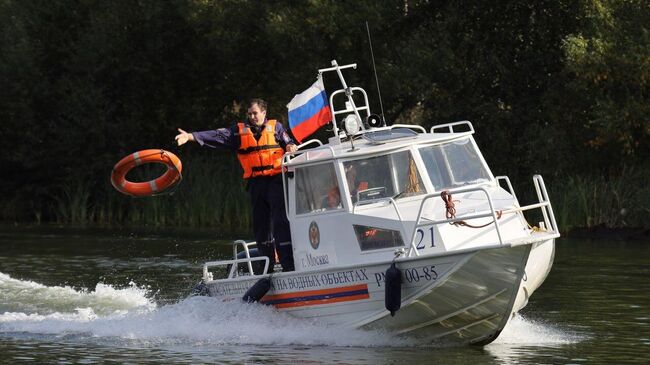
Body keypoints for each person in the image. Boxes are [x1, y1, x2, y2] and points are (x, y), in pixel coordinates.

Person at [175, 99, 297, 272]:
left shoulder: (276, 127)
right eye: (250, 114)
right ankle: (266, 267)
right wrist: (190, 136)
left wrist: (291, 146)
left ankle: (288, 265)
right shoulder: (238, 132)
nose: (252, 117)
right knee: (261, 226)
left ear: (264, 112)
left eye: (255, 113)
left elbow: (288, 142)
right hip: (256, 184)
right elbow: (216, 135)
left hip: (276, 181)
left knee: (280, 222)